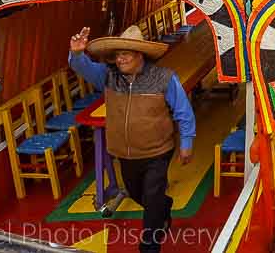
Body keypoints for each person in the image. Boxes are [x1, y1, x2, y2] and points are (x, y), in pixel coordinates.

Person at [69, 25, 196, 252]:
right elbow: (82, 66)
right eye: (118, 54)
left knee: (152, 195)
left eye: (125, 53)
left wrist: (186, 143)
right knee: (141, 195)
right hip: (125, 153)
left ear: (140, 55)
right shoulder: (107, 77)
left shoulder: (164, 78)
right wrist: (78, 53)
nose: (120, 59)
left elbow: (183, 112)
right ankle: (163, 206)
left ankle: (149, 247)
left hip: (158, 151)